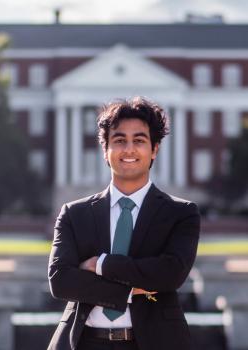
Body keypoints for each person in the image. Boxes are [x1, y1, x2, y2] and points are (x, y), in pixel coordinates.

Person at [47, 96, 200, 350]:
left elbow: (170, 274)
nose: (129, 149)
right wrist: (130, 290)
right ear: (106, 151)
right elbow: (60, 280)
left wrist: (100, 264)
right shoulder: (74, 214)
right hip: (85, 343)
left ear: (154, 149)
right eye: (119, 141)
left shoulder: (181, 214)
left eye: (139, 140)